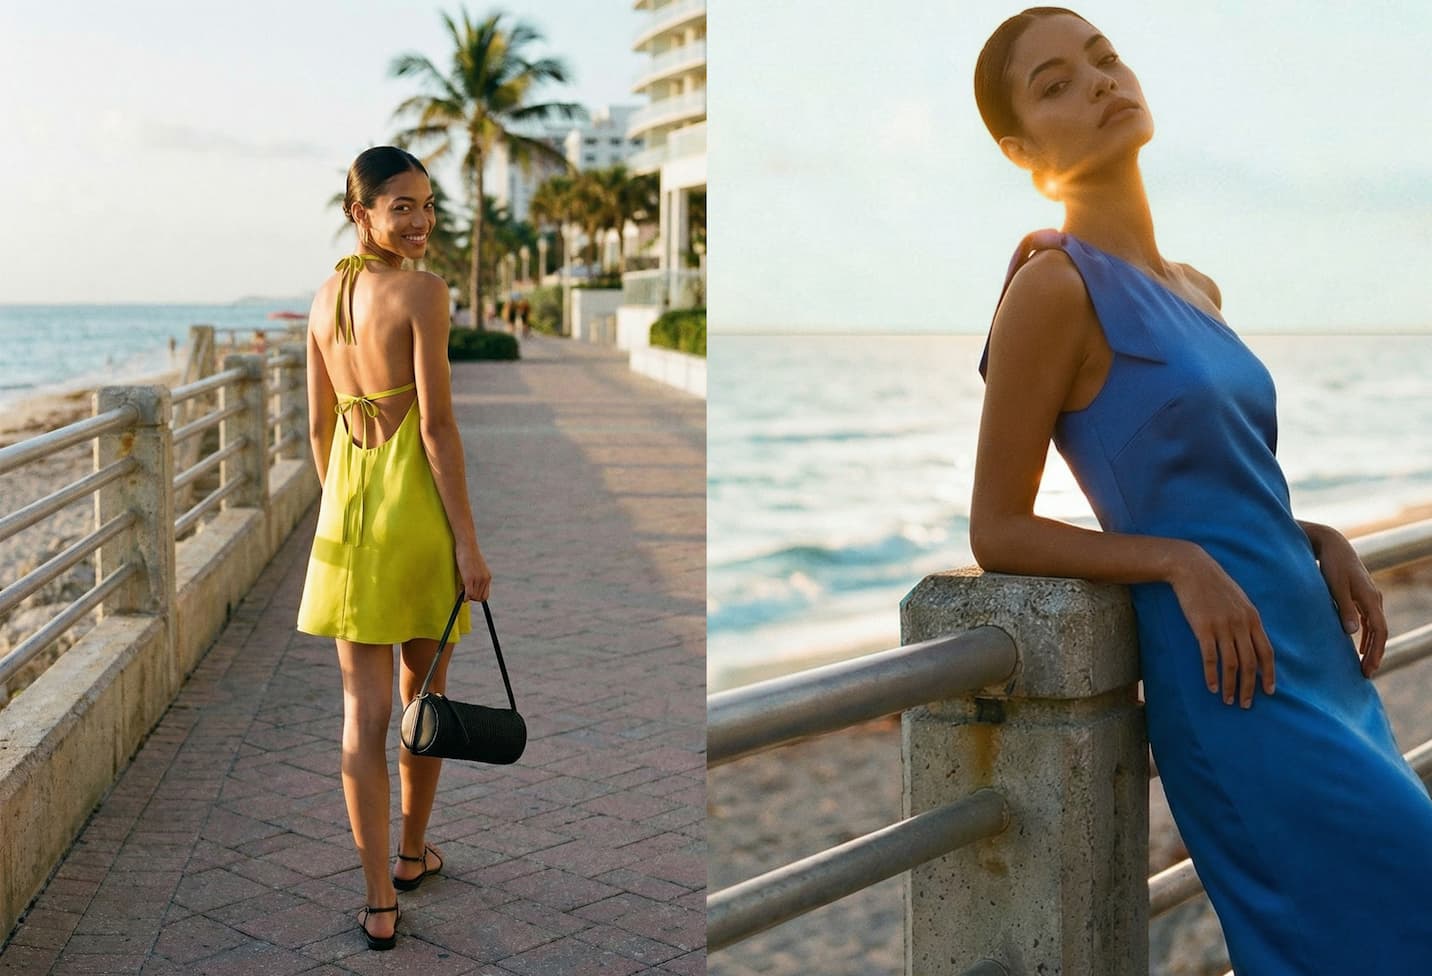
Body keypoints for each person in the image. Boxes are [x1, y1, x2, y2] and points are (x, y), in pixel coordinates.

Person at [969, 8, 1432, 971]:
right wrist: (1175, 561)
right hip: (1237, 687)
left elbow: (1215, 477)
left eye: (1104, 59)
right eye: (1055, 84)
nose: (1097, 82)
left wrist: (1315, 535)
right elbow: (997, 527)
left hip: (1315, 654)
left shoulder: (1198, 287)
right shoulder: (1054, 290)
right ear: (1019, 149)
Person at [296, 145, 493, 951]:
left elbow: (316, 428)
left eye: (427, 204)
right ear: (363, 214)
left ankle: (382, 897)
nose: (419, 221)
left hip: (349, 522)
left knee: (362, 715)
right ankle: (411, 853)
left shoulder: (321, 300)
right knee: (423, 704)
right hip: (415, 522)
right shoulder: (423, 292)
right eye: (401, 206)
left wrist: (345, 506)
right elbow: (439, 428)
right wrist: (470, 547)